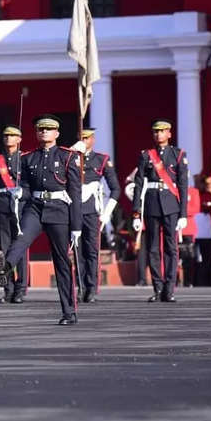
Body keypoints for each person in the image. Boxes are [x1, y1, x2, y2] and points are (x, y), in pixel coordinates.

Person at [0, 114, 80, 325]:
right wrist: (20, 192)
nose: (44, 132)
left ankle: (69, 311)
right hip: (35, 207)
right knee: (21, 238)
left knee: (61, 261)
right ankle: (6, 267)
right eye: (41, 129)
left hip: (59, 209)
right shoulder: (28, 158)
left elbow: (75, 193)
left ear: (56, 133)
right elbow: (28, 186)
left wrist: (76, 226)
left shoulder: (67, 156)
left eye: (48, 129)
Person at [131, 119, 189, 303]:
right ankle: (157, 287)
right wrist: (136, 212)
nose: (158, 134)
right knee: (153, 248)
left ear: (169, 134)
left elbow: (183, 185)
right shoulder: (147, 155)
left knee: (171, 248)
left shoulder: (178, 155)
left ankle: (169, 289)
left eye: (162, 131)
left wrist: (183, 213)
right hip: (152, 204)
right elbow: (138, 184)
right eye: (156, 131)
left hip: (171, 205)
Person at [74, 128, 120, 303]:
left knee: (91, 251)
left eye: (87, 138)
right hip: (74, 210)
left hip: (92, 212)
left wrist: (107, 213)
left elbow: (115, 189)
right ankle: (80, 287)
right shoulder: (70, 157)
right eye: (81, 138)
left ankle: (91, 288)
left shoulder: (101, 160)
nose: (84, 141)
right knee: (76, 252)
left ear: (93, 140)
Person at [0, 125, 27, 304]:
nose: (8, 138)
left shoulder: (24, 159)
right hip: (1, 206)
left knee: (20, 249)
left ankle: (20, 289)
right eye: (6, 135)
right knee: (4, 248)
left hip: (20, 207)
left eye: (12, 135)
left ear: (19, 139)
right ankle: (8, 289)